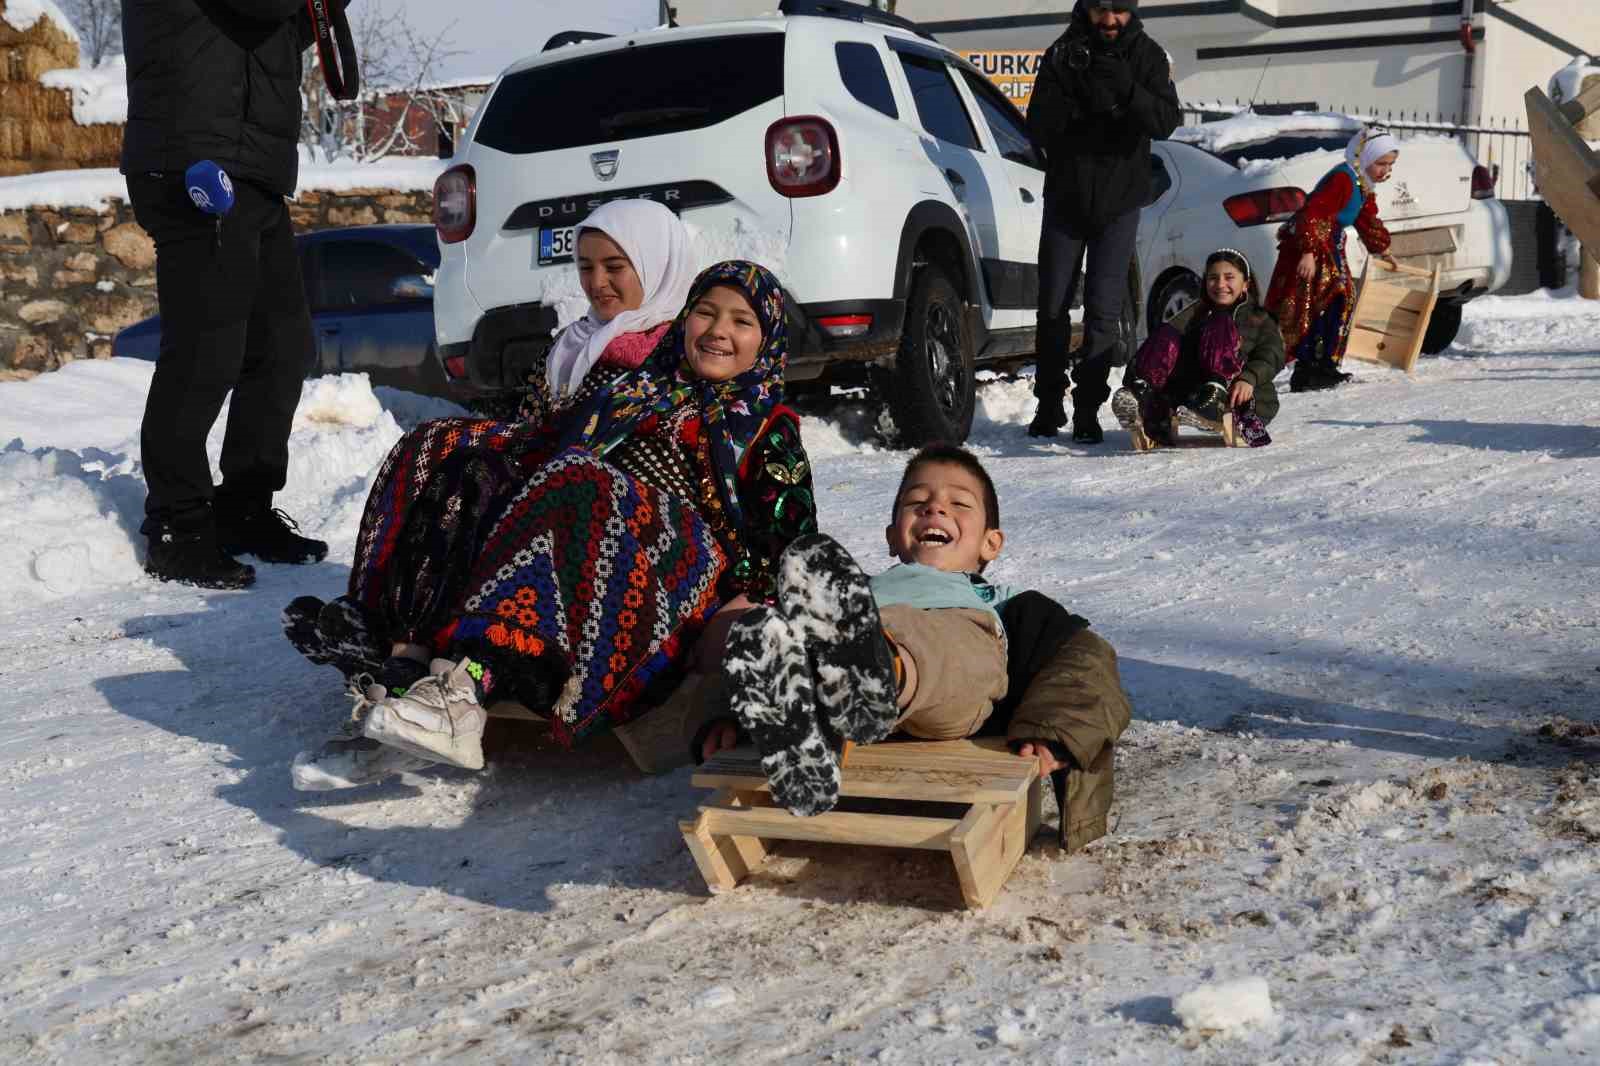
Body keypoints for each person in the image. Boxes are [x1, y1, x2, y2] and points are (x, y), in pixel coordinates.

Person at [294, 261, 817, 789]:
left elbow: (794, 545)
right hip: (583, 531)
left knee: (577, 478)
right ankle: (405, 680)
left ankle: (468, 688)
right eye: (705, 312)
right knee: (458, 454)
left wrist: (752, 597)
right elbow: (548, 442)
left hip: (675, 575)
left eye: (741, 321)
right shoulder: (634, 393)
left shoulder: (767, 429)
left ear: (766, 339)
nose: (719, 331)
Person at [283, 198, 694, 689]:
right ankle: (383, 627)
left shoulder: (670, 353)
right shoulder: (575, 342)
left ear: (657, 264)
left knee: (474, 479)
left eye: (615, 266)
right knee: (436, 447)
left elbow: (648, 447)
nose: (597, 282)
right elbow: (533, 420)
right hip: (548, 471)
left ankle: (421, 647)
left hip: (605, 500)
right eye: (585, 266)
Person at [713, 445, 1128, 819]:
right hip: (862, 641)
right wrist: (727, 713)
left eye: (959, 504)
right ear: (893, 536)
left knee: (948, 647)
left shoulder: (999, 601)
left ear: (990, 544)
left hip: (950, 671)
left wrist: (1055, 728)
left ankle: (878, 671)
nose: (935, 509)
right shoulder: (857, 593)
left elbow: (1083, 658)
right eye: (917, 502)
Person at [121, 0, 353, 588]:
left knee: (282, 347)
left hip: (253, 167)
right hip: (191, 160)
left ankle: (244, 509)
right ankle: (177, 526)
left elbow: (287, 28)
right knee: (207, 350)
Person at [1025, 0, 1180, 444]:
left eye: (1119, 12)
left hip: (1118, 205)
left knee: (1103, 312)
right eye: (1100, 11)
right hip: (1066, 201)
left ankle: (1087, 409)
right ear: (1085, 9)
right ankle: (1049, 403)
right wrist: (1076, 100)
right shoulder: (1062, 53)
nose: (1109, 21)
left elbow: (1166, 121)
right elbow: (1036, 127)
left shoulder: (1147, 55)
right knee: (1052, 306)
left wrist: (1127, 90)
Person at [1264, 125, 1400, 392]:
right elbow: (1313, 214)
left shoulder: (1361, 182)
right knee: (1323, 300)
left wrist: (1382, 248)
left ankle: (1325, 366)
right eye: (1381, 163)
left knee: (1341, 297)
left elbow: (1364, 218)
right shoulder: (1343, 179)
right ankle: (1309, 369)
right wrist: (1308, 252)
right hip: (1314, 247)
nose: (1386, 171)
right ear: (1366, 157)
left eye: (1390, 165)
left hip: (1330, 245)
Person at [1111, 248, 1284, 448]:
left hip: (1245, 397)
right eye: (1213, 278)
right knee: (1167, 332)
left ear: (1245, 284)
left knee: (1220, 321)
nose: (1220, 284)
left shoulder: (1259, 318)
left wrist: (1249, 378)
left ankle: (1215, 394)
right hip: (1195, 394)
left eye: (1229, 277)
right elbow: (1162, 345)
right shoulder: (1196, 313)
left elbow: (1272, 354)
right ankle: (1142, 393)